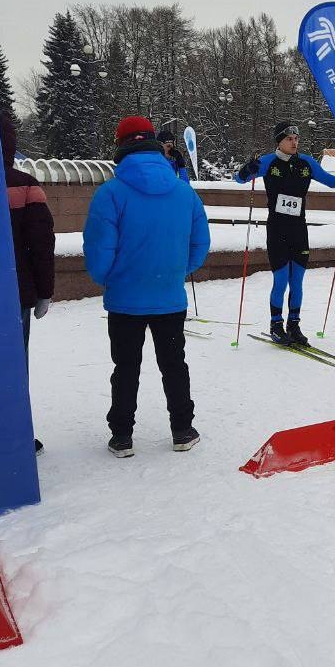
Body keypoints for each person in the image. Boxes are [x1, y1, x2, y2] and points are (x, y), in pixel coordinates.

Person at [83, 115, 210, 457]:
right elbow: (200, 242)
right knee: (174, 364)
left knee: (126, 367)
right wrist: (176, 271)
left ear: (120, 146)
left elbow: (98, 248)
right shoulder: (183, 191)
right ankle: (182, 429)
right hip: (169, 297)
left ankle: (122, 435)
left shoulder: (110, 193)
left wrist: (110, 278)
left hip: (125, 300)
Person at [234, 122, 335, 345]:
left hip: (299, 230)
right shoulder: (268, 162)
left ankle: (294, 325)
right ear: (279, 141)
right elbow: (239, 178)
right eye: (289, 139)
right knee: (281, 279)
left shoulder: (306, 163)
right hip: (277, 229)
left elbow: (330, 181)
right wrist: (247, 168)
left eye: (296, 139)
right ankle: (276, 325)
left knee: (297, 281)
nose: (294, 142)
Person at [0, 114, 55, 454]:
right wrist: (44, 291)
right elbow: (41, 243)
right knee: (13, 365)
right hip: (13, 293)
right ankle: (13, 432)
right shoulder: (25, 185)